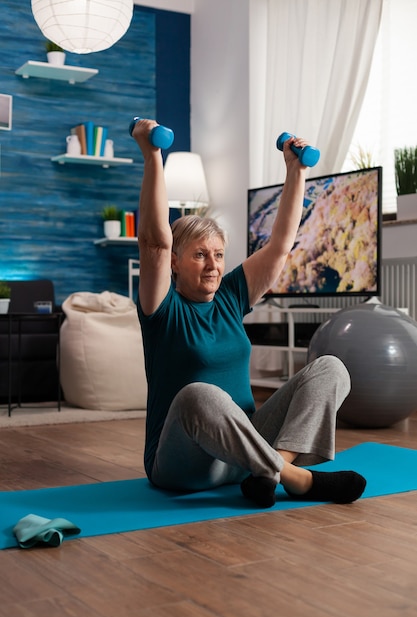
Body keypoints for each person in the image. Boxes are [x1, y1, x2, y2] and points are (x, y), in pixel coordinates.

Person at [131, 119, 366, 508]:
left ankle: (270, 472)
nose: (212, 265)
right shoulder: (162, 309)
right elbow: (153, 243)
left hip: (243, 457)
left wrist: (296, 171)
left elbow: (280, 246)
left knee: (331, 368)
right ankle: (296, 479)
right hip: (183, 465)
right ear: (175, 262)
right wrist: (152, 154)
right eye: (200, 255)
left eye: (219, 255)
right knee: (198, 395)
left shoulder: (230, 296)